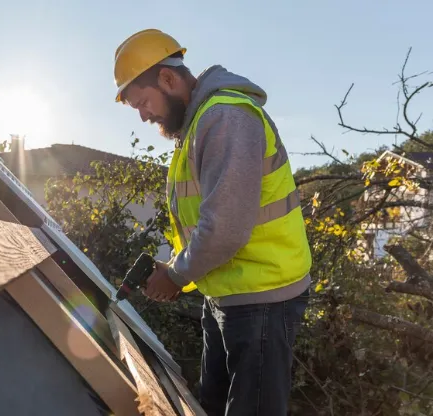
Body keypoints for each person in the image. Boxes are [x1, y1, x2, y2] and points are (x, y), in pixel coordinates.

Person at [113, 29, 312, 416]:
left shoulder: (225, 118)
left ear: (168, 79)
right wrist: (176, 269)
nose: (144, 115)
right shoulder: (197, 127)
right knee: (210, 407)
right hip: (227, 296)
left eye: (143, 101)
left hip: (263, 300)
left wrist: (174, 276)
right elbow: (199, 224)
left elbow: (225, 229)